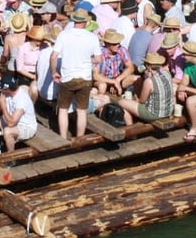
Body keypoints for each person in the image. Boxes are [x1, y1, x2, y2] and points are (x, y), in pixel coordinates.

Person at [51, 8, 101, 139]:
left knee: (63, 109)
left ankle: (62, 137)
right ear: (85, 22)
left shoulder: (64, 34)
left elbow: (53, 56)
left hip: (67, 76)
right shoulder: (92, 37)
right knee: (82, 111)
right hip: (85, 77)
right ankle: (80, 138)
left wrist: (53, 72)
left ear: (74, 20)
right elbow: (98, 59)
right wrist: (86, 59)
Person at [116, 51, 174, 124]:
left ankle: (130, 127)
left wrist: (135, 99)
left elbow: (142, 101)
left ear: (149, 67)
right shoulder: (167, 73)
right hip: (168, 110)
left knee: (121, 102)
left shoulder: (149, 81)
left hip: (154, 113)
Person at [0, 73, 38, 153]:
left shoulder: (21, 100)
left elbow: (11, 124)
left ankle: (11, 156)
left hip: (26, 127)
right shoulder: (5, 93)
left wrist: (3, 106)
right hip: (12, 121)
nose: (0, 90)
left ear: (7, 89)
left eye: (1, 88)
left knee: (8, 131)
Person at [97, 29, 136, 95]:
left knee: (136, 79)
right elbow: (96, 76)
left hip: (116, 78)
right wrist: (113, 82)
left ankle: (138, 101)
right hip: (102, 80)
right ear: (107, 44)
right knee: (102, 86)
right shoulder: (99, 53)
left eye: (118, 43)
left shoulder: (121, 49)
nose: (118, 45)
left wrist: (118, 79)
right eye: (114, 44)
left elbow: (130, 67)